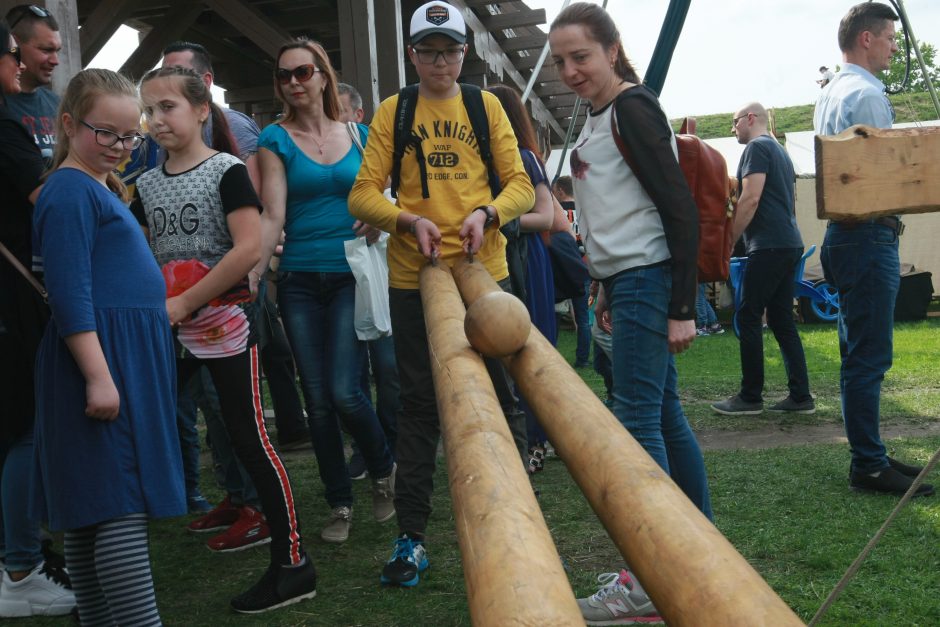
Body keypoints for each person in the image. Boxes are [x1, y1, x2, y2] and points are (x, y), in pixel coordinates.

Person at [349, 0, 534, 588]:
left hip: (485, 271)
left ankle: (520, 519)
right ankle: (412, 537)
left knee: (504, 392)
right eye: (428, 51)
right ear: (412, 55)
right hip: (414, 275)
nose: (440, 62)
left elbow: (522, 186)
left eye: (450, 50)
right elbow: (362, 194)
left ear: (463, 53)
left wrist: (488, 212)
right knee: (418, 402)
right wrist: (407, 221)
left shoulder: (483, 106)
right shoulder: (393, 110)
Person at [549, 3, 712, 622]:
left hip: (650, 281)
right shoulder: (599, 116)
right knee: (663, 415)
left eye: (581, 56)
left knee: (637, 424)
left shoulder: (632, 108)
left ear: (612, 50)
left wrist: (680, 306)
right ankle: (696, 547)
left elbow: (679, 209)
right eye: (562, 60)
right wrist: (604, 284)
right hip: (629, 282)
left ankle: (653, 577)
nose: (570, 70)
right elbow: (617, 214)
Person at [134, 65, 317, 613]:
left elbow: (246, 249)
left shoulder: (228, 171)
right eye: (149, 109)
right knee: (148, 424)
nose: (156, 119)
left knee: (249, 438)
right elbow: (143, 253)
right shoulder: (143, 184)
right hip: (172, 329)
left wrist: (185, 302)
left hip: (223, 326)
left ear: (199, 110)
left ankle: (292, 564)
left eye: (167, 106)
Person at [30, 68, 181, 626]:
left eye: (130, 136)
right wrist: (98, 374)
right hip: (101, 360)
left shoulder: (93, 185)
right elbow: (69, 294)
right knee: (114, 506)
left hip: (119, 357)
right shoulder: (69, 191)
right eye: (107, 134)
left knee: (94, 512)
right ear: (69, 125)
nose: (121, 147)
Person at [254, 39, 396, 544]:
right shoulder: (274, 139)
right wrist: (254, 276)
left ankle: (383, 468)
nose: (294, 82)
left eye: (303, 72)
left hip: (348, 275)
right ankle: (340, 503)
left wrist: (379, 219)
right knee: (316, 401)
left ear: (323, 75)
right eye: (284, 75)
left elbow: (384, 193)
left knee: (344, 391)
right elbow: (272, 214)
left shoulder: (359, 134)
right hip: (296, 279)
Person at [814, 2, 934, 497]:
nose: (893, 45)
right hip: (867, 235)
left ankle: (872, 454)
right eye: (888, 37)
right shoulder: (865, 94)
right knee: (868, 358)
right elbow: (880, 177)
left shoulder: (833, 91)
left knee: (857, 353)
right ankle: (868, 464)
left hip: (847, 237)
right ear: (866, 39)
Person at [0, 20, 75, 618]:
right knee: (24, 424)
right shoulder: (4, 116)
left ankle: (34, 546)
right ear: (14, 50)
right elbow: (40, 193)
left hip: (46, 282)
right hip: (17, 289)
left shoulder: (52, 106)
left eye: (58, 48)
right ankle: (20, 566)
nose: (54, 58)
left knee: (39, 420)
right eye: (44, 49)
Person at [711, 103, 813, 416]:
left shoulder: (756, 148)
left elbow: (750, 198)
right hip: (788, 243)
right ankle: (800, 396)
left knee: (748, 315)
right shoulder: (780, 150)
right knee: (782, 320)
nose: (733, 129)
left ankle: (750, 397)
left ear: (750, 119)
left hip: (768, 246)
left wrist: (728, 241)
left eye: (734, 121)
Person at [484, 83, 556, 472]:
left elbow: (547, 217)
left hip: (525, 261)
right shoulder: (492, 157)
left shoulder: (525, 158)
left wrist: (492, 218)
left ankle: (535, 442)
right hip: (505, 259)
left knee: (526, 349)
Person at [336, 81, 400, 482]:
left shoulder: (372, 145)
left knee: (389, 365)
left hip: (378, 268)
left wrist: (385, 214)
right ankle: (367, 445)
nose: (333, 119)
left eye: (339, 110)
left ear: (358, 114)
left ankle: (390, 443)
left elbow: (406, 191)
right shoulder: (314, 146)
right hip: (339, 268)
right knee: (352, 373)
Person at [3, 4, 60, 161]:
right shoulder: (3, 106)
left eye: (57, 51)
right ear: (13, 44)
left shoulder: (58, 105)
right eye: (46, 50)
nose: (56, 61)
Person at [552, 175, 592, 367]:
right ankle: (583, 359)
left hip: (559, 267)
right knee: (584, 317)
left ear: (560, 190)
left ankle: (552, 357)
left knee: (555, 314)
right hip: (582, 266)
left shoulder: (555, 212)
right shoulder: (585, 210)